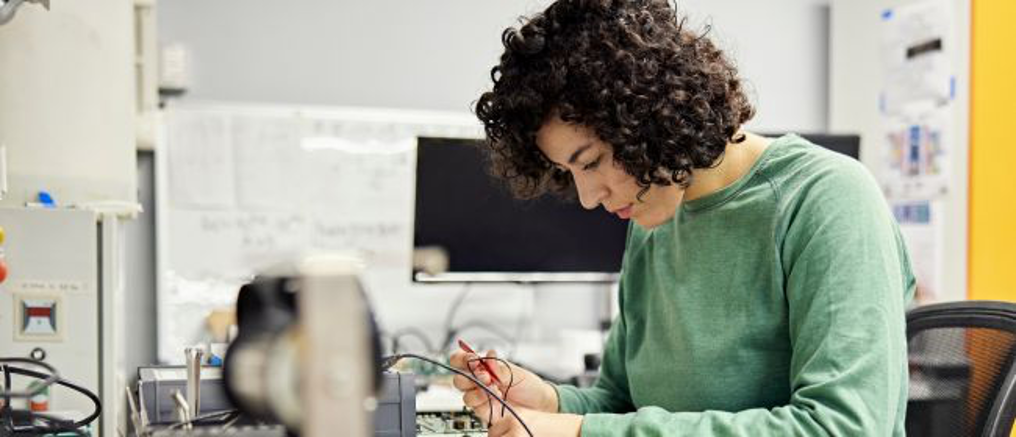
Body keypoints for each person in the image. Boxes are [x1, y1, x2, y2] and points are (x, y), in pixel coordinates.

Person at [449, 0, 915, 436]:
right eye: (568, 173)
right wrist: (549, 403)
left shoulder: (826, 199)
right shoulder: (653, 222)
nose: (589, 198)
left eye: (590, 162)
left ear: (647, 118)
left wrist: (577, 431)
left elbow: (845, 427)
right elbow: (620, 403)